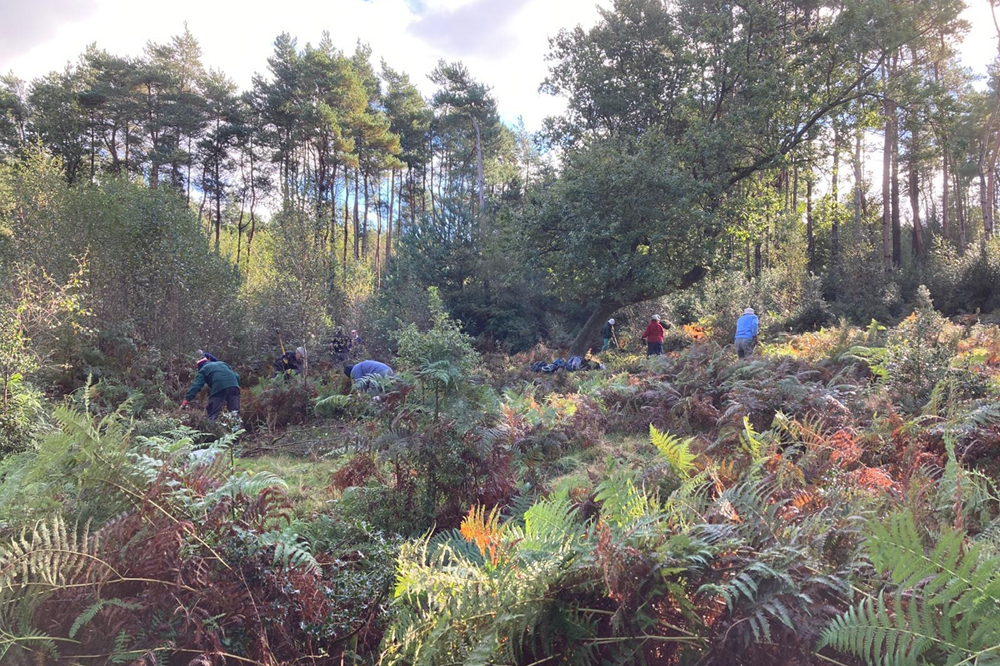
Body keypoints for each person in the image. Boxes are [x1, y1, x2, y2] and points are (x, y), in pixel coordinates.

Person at [181, 355, 241, 420]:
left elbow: (196, 386)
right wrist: (232, 385)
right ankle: (237, 428)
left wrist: (186, 400)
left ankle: (211, 427)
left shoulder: (203, 369)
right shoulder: (222, 363)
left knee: (212, 414)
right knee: (234, 414)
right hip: (234, 386)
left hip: (219, 387)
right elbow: (237, 376)